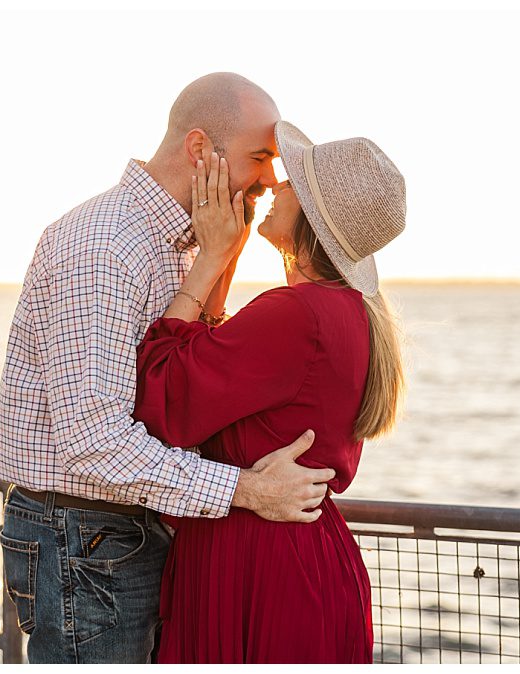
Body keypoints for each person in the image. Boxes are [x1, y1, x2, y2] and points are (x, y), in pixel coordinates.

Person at [0, 74, 336, 664]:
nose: (271, 181)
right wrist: (249, 491)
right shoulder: (104, 245)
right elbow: (95, 443)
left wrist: (220, 260)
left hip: (117, 532)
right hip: (85, 540)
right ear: (200, 149)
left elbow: (177, 388)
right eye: (260, 158)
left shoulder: (180, 245)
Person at [133, 120, 406, 663]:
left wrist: (209, 258)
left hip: (259, 562)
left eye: (294, 184)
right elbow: (217, 365)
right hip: (303, 554)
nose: (276, 185)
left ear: (308, 217)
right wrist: (228, 255)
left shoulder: (295, 314)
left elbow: (160, 394)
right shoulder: (347, 311)